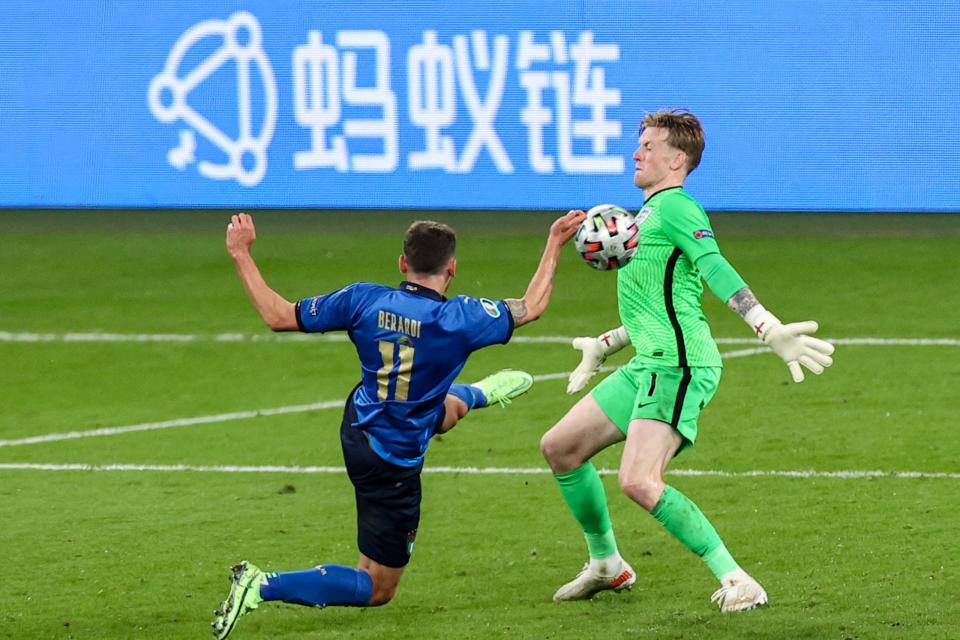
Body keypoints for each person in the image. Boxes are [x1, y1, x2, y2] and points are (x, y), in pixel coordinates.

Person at [212, 210, 585, 639]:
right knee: (376, 586)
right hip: (392, 463)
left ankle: (475, 394)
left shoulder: (363, 299)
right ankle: (260, 584)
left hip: (358, 427)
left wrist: (240, 253)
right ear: (453, 269)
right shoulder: (462, 318)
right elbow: (532, 305)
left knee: (434, 409)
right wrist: (555, 241)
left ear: (402, 264)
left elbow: (279, 315)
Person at [540, 109, 835, 612]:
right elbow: (659, 306)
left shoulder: (678, 208)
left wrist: (767, 326)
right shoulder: (646, 217)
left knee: (638, 480)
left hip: (678, 366)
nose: (637, 152)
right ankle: (607, 564)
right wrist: (605, 344)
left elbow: (713, 268)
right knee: (561, 447)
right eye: (640, 144)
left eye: (649, 146)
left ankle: (738, 578)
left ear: (677, 159)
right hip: (648, 362)